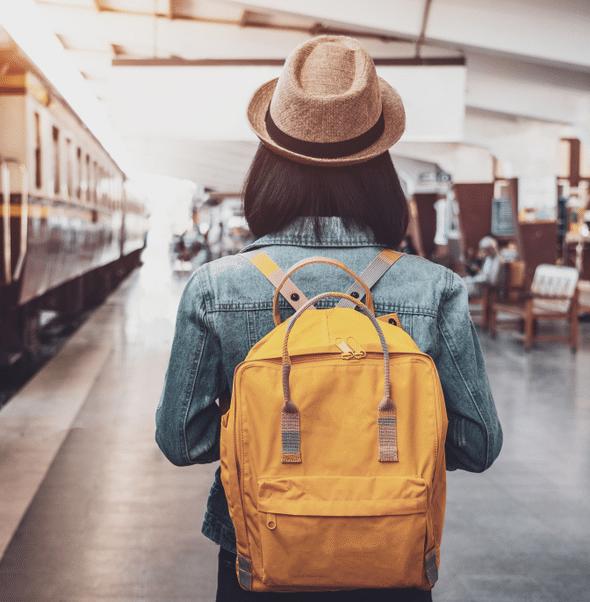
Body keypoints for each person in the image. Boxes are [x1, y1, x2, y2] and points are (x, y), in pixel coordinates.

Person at [154, 35, 503, 601]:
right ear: (381, 169)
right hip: (390, 553)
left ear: (268, 166)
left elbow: (180, 439)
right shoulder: (435, 289)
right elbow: (477, 444)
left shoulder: (217, 287)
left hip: (259, 554)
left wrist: (260, 436)